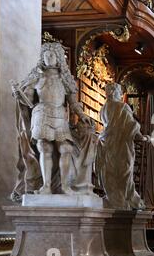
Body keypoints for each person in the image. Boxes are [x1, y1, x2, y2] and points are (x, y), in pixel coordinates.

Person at [11, 42, 94, 195]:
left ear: (58, 58)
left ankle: (65, 186)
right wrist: (20, 95)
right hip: (41, 113)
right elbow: (28, 99)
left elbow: (73, 102)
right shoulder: (36, 77)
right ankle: (46, 187)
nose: (48, 57)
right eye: (46, 55)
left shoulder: (64, 78)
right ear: (42, 58)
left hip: (60, 115)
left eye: (52, 55)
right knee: (45, 148)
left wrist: (82, 115)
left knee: (66, 148)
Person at [96, 83, 152, 210]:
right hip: (122, 147)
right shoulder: (122, 107)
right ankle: (126, 199)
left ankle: (114, 198)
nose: (120, 95)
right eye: (119, 92)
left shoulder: (103, 109)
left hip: (108, 146)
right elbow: (130, 127)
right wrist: (144, 138)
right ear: (116, 93)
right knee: (124, 173)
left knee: (110, 172)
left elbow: (109, 128)